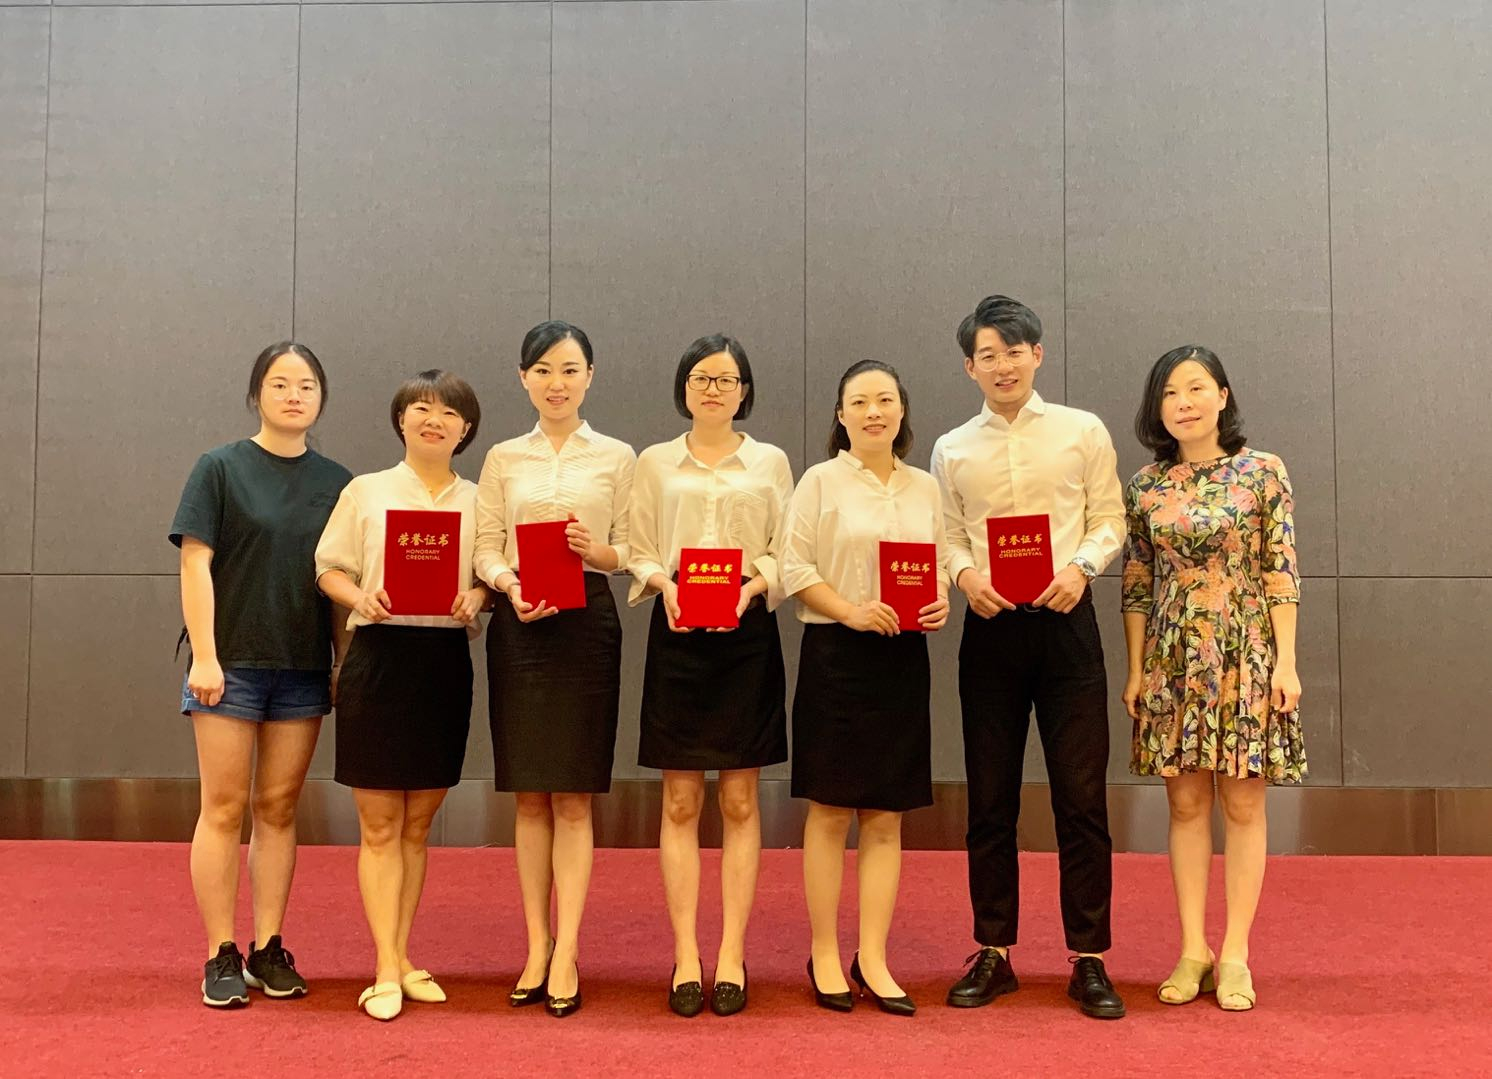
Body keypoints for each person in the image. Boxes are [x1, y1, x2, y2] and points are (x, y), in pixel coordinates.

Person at [931, 294, 1127, 1019]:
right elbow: (947, 533)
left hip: (1068, 624)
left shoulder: (1082, 430)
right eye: (988, 354)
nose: (1003, 365)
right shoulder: (952, 447)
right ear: (969, 367)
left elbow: (1110, 518)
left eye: (1014, 351)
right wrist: (963, 576)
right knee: (990, 799)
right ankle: (994, 949)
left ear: (1037, 354)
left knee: (1081, 798)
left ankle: (1090, 957)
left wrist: (1081, 568)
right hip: (991, 629)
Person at [1122, 345, 1304, 1012]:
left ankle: (1235, 954)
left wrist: (1286, 661)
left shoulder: (1262, 471)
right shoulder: (1145, 485)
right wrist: (1137, 669)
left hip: (1245, 651)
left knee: (1245, 804)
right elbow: (1137, 582)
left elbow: (1281, 568)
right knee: (1185, 805)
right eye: (1170, 392)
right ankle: (1192, 948)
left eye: (1197, 388)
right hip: (1173, 656)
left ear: (1223, 397)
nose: (1184, 402)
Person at [170, 341, 351, 1008]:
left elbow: (340, 580)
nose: (294, 395)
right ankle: (220, 951)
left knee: (277, 809)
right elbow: (194, 563)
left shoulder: (338, 482)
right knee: (222, 808)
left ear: (321, 398)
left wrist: (342, 661)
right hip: (230, 666)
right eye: (280, 383)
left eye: (307, 385)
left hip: (302, 667)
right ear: (257, 394)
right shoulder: (220, 467)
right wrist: (206, 656)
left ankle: (268, 947)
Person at [627, 334, 793, 1018]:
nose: (714, 389)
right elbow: (637, 545)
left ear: (744, 390)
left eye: (726, 379)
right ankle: (685, 954)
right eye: (702, 378)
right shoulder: (655, 462)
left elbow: (787, 548)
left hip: (746, 634)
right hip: (677, 632)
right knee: (679, 801)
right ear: (684, 387)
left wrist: (754, 586)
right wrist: (663, 583)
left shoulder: (770, 462)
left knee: (742, 801)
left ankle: (730, 953)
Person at [474, 320, 635, 1019]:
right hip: (522, 622)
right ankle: (536, 945)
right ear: (523, 378)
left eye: (569, 369)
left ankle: (568, 947)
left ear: (590, 376)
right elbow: (484, 544)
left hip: (587, 623)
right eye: (542, 370)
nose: (556, 382)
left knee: (573, 795)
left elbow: (635, 547)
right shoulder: (503, 457)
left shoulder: (618, 455)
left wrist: (597, 551)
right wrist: (508, 584)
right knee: (530, 796)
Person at [314, 370, 487, 1021]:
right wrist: (360, 596)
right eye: (421, 408)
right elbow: (328, 567)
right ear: (401, 420)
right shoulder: (366, 490)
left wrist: (479, 595)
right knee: (381, 824)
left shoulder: (481, 500)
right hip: (380, 660)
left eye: (448, 412)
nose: (433, 419)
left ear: (465, 429)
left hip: (443, 664)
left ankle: (403, 954)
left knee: (418, 827)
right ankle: (386, 965)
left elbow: (494, 572)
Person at [782, 360, 948, 1016]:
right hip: (836, 655)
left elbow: (937, 564)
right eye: (859, 401)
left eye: (885, 400)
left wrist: (937, 600)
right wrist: (850, 610)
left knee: (885, 815)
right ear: (841, 415)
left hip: (902, 658)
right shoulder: (819, 481)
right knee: (829, 810)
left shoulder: (925, 487)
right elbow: (794, 567)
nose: (873, 411)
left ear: (901, 410)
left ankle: (872, 956)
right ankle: (824, 950)